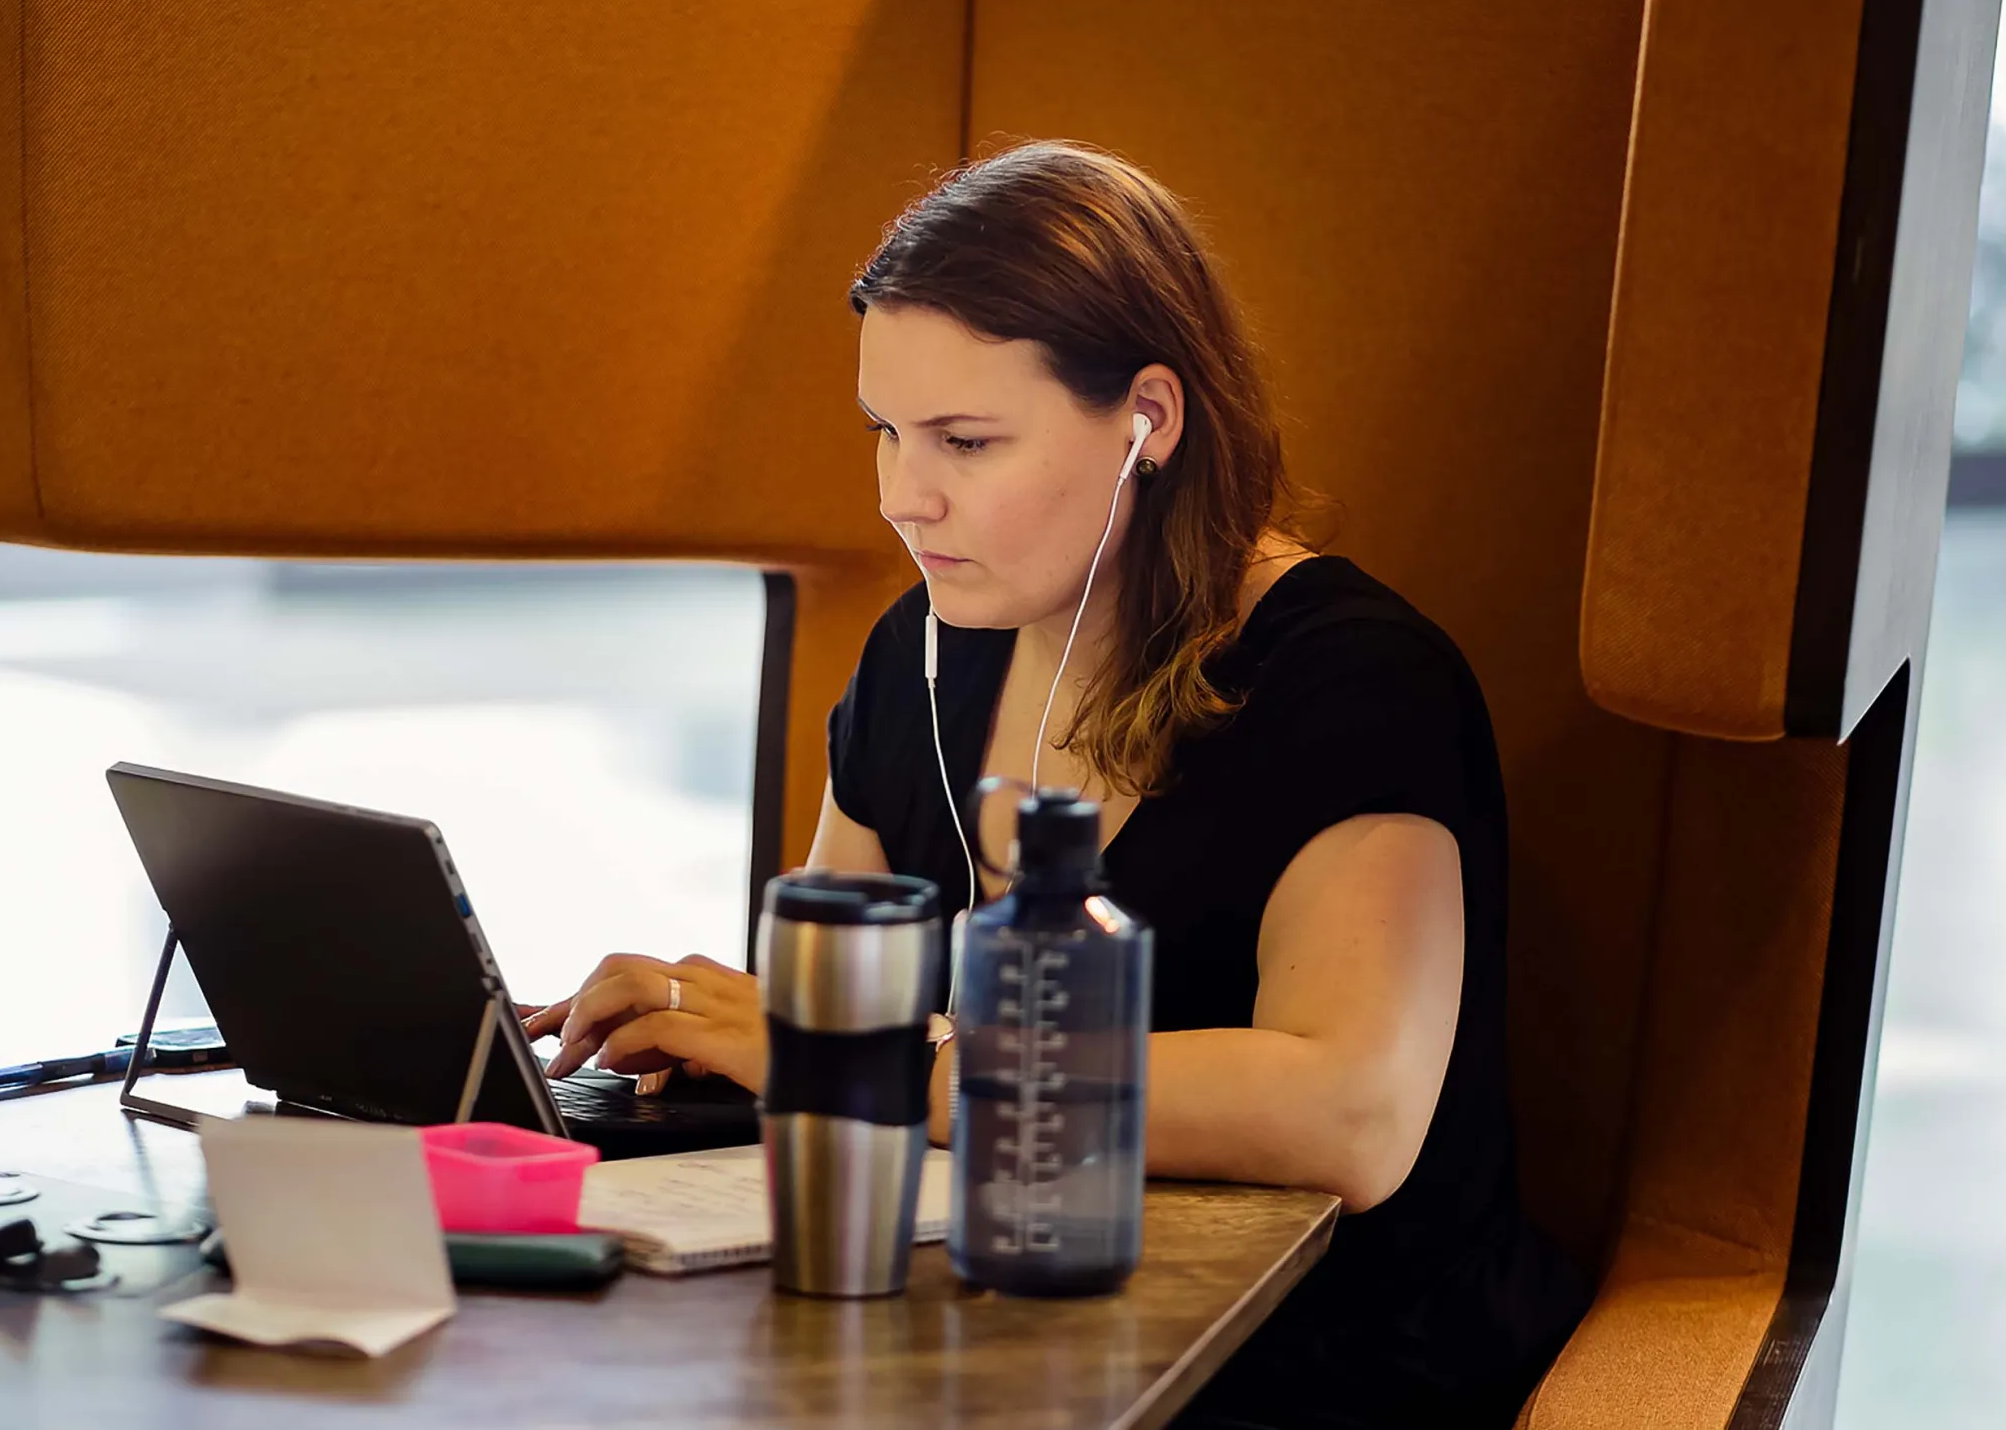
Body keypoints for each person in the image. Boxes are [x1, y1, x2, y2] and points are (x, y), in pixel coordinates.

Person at [519, 140, 1587, 1428]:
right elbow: (824, 1008)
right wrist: (706, 1032)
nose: (906, 499)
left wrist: (869, 1070)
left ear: (1150, 417)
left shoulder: (1356, 682)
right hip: (972, 1342)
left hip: (1305, 1372)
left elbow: (1351, 1116)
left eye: (968, 441)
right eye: (886, 434)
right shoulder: (922, 649)